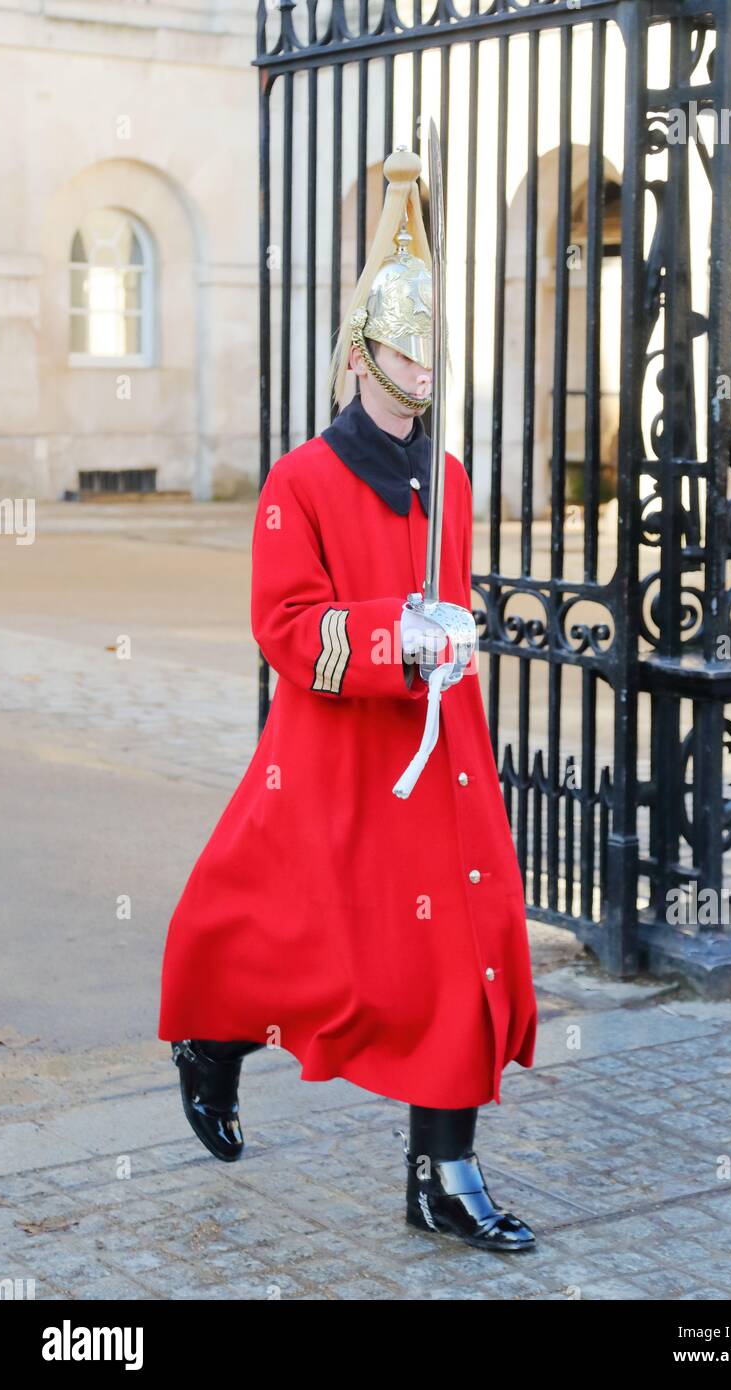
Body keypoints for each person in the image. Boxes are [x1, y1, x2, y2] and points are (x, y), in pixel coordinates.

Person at [158, 147, 538, 1253]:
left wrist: (449, 639)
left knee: (458, 945)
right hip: (332, 747)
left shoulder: (453, 480)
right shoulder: (300, 480)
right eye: (406, 354)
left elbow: (448, 602)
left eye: (434, 355)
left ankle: (443, 1170)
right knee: (285, 936)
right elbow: (284, 626)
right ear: (364, 352)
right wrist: (392, 637)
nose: (425, 373)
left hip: (437, 751)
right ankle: (212, 1043)